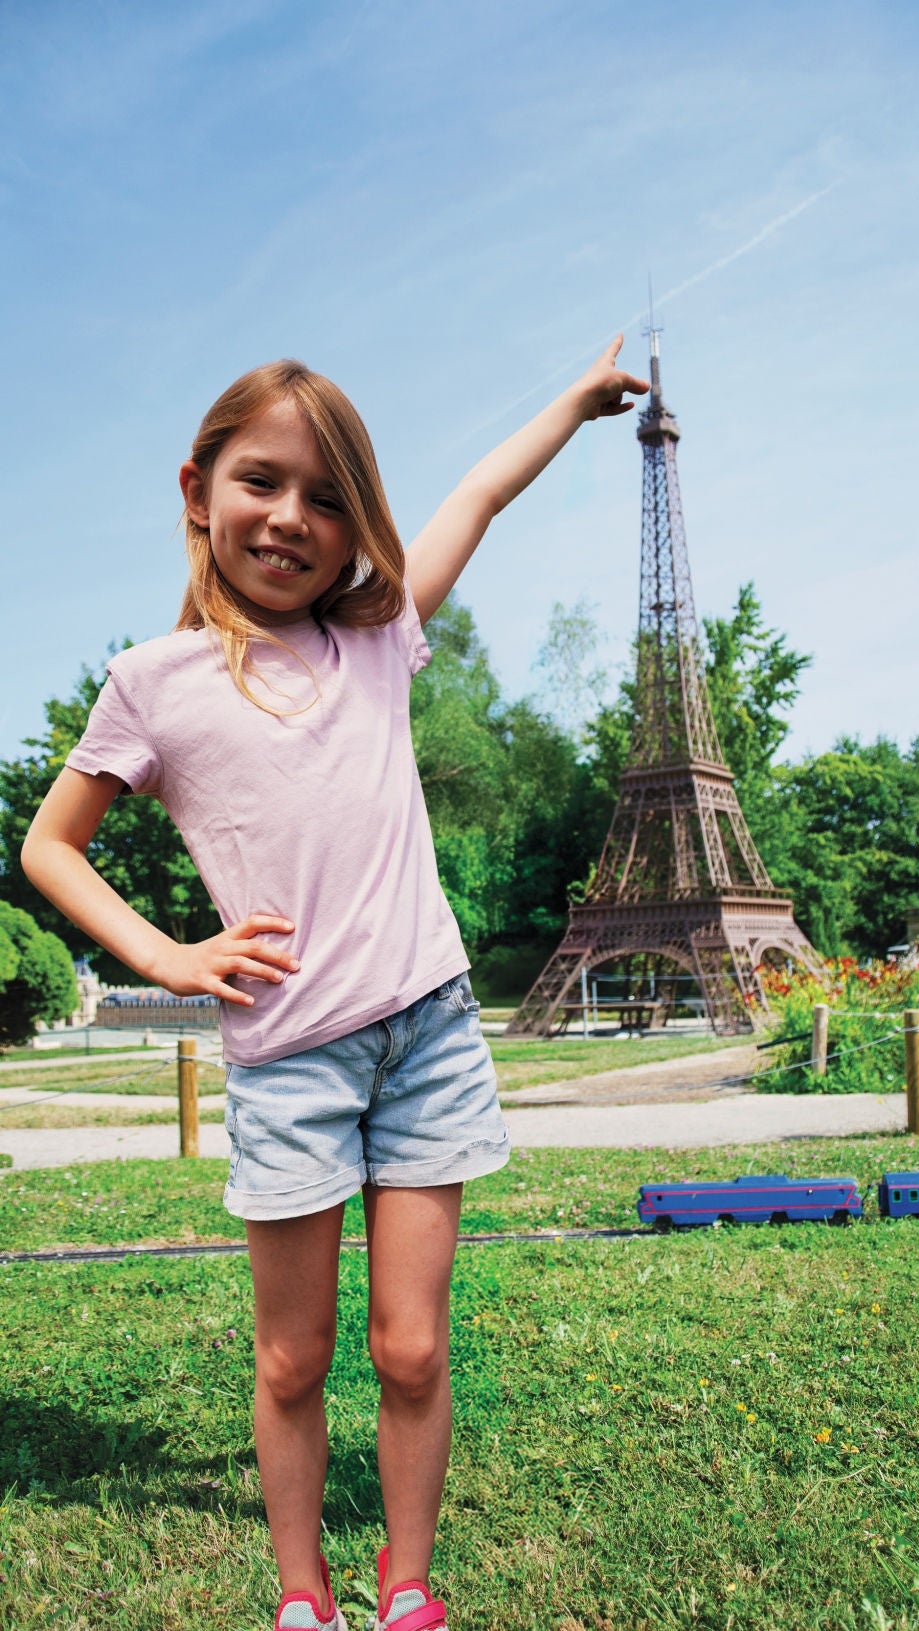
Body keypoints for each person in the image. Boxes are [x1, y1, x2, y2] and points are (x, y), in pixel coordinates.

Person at [21, 339, 648, 1631]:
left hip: (427, 1032)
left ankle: (405, 1585)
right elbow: (48, 845)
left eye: (326, 498)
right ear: (197, 490)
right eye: (262, 482)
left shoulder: (378, 640)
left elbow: (473, 497)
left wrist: (576, 408)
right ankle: (302, 1596)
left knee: (411, 1349)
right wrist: (166, 955)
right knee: (293, 1357)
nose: (291, 519)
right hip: (289, 1060)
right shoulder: (153, 683)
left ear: (353, 523)